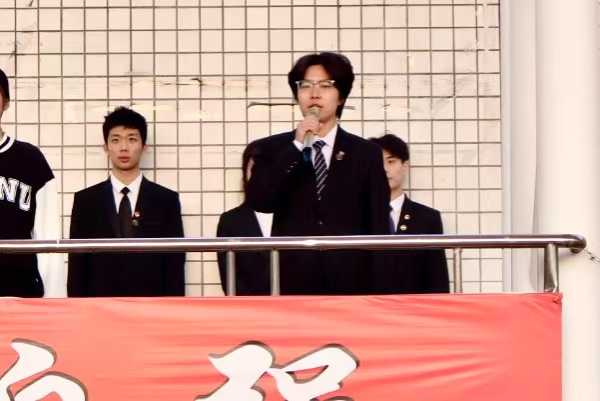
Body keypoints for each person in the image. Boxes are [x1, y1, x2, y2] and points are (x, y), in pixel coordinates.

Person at [246, 52, 390, 295]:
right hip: (292, 280)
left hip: (351, 281)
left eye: (325, 86)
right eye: (305, 86)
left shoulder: (366, 153)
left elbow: (378, 224)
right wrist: (295, 147)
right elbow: (260, 200)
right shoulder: (273, 148)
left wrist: (379, 290)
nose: (314, 94)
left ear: (341, 96)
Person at [68, 106, 185, 297]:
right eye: (116, 140)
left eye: (132, 139)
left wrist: (172, 307)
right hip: (100, 305)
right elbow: (77, 265)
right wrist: (77, 307)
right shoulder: (86, 201)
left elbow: (175, 265)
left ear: (144, 146)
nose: (124, 148)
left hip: (151, 305)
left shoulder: (166, 200)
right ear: (106, 147)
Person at [0, 68, 65, 298]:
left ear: (6, 103)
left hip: (20, 293)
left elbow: (48, 237)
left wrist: (54, 302)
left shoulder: (31, 160)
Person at [368, 133, 450, 294]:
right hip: (368, 306)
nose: (385, 169)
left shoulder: (428, 218)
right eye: (378, 162)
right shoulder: (358, 216)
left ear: (405, 166)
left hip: (413, 306)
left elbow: (437, 279)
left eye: (391, 161)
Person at [216, 140, 272, 295]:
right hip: (248, 307)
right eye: (255, 167)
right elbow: (230, 281)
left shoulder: (296, 217)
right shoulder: (230, 221)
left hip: (294, 306)